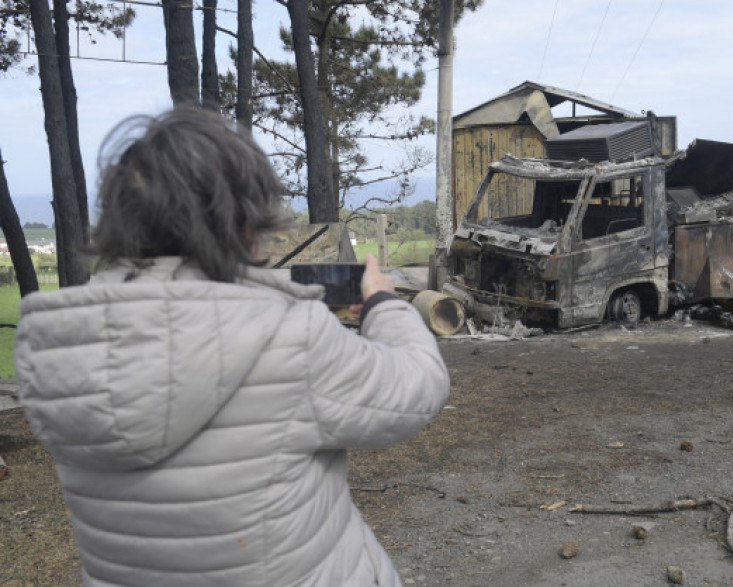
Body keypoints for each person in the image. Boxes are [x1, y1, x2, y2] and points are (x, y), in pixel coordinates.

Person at [14, 108, 450, 586]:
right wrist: (382, 303)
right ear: (244, 224)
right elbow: (416, 388)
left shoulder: (58, 349)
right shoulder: (289, 335)